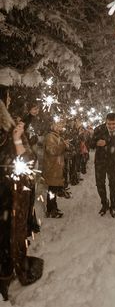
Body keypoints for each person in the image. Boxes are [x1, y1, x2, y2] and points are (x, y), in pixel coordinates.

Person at [0, 85, 43, 301]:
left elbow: (27, 161)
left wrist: (18, 139)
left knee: (6, 234)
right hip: (6, 190)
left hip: (7, 189)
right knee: (6, 235)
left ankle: (4, 277)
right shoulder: (9, 130)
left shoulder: (11, 129)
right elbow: (26, 161)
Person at [90, 113, 115, 217]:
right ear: (106, 121)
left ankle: (113, 208)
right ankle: (104, 204)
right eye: (109, 124)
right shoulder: (98, 129)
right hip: (100, 162)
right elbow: (90, 144)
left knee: (113, 186)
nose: (111, 126)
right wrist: (96, 143)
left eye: (113, 124)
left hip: (114, 163)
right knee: (100, 184)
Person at [42, 119, 70, 218]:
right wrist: (63, 145)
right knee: (52, 190)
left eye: (60, 125)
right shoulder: (50, 137)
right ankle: (51, 210)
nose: (60, 127)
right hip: (52, 167)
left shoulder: (56, 136)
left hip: (56, 167)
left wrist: (65, 146)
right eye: (57, 125)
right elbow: (52, 151)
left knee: (53, 189)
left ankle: (53, 207)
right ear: (52, 126)